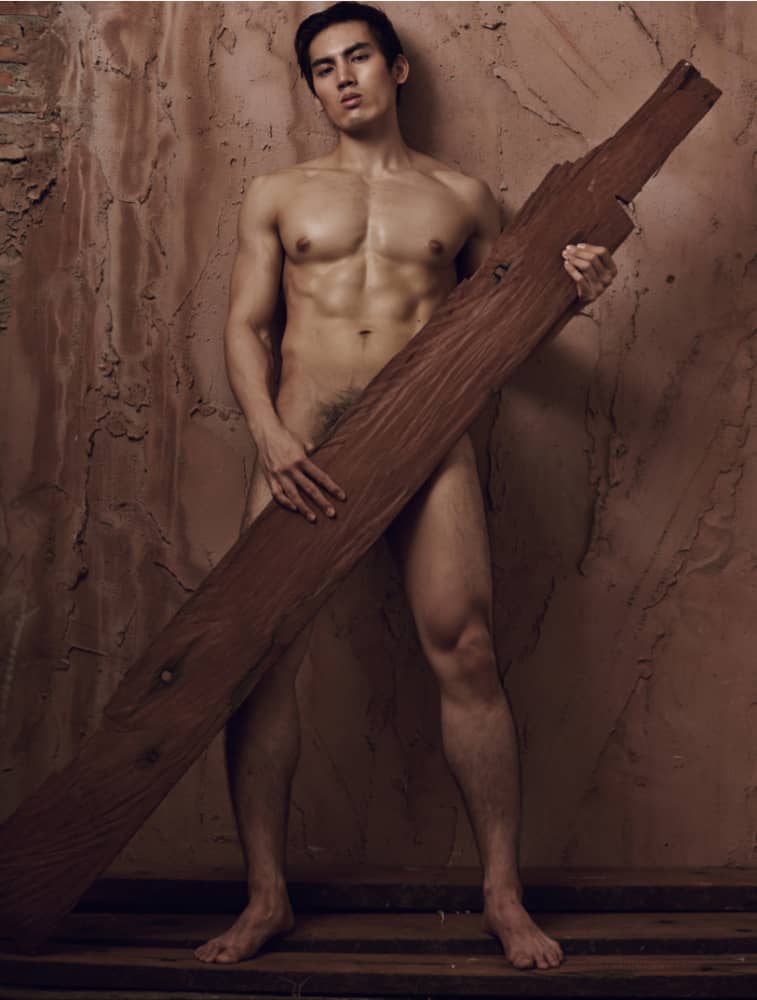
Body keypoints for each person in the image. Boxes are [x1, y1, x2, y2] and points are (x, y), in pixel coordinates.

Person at [195, 0, 617, 971]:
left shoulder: (461, 197)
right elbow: (245, 325)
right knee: (258, 664)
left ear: (397, 70)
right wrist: (268, 435)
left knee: (467, 648)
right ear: (313, 88)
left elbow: (506, 331)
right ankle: (267, 896)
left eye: (358, 58)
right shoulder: (279, 193)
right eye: (323, 67)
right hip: (303, 443)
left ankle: (501, 896)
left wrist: (573, 293)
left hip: (427, 441)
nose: (342, 78)